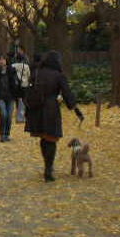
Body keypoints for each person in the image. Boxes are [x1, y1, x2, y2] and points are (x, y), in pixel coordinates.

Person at [25, 50, 83, 182]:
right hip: (50, 109)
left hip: (36, 109)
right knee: (51, 138)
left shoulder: (37, 73)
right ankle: (48, 168)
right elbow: (67, 93)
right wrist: (75, 108)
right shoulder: (58, 75)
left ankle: (47, 165)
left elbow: (28, 89)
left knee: (43, 137)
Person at [0, 55, 21, 142]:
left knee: (9, 116)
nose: (2, 61)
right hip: (0, 96)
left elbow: (15, 83)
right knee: (3, 114)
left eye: (3, 59)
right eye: (0, 59)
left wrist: (18, 95)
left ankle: (7, 133)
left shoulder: (11, 70)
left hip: (10, 96)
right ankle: (2, 134)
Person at [12, 49, 30, 123]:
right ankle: (24, 114)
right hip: (24, 85)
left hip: (16, 85)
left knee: (17, 99)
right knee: (24, 99)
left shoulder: (13, 66)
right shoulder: (26, 66)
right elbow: (29, 75)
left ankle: (18, 112)